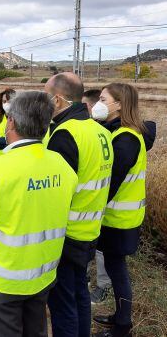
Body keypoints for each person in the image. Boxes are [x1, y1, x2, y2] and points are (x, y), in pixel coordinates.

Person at [0, 91, 78, 337]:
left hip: (4, 280)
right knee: (37, 331)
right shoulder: (62, 164)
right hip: (43, 274)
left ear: (10, 122)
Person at [44, 73, 114, 337]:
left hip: (67, 232)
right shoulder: (100, 131)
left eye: (46, 96)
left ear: (59, 100)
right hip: (90, 230)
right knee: (79, 294)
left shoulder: (64, 134)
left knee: (62, 303)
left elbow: (56, 191)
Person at [92, 83, 156, 337]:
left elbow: (110, 183)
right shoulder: (121, 133)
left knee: (117, 272)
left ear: (119, 104)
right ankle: (120, 317)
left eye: (103, 98)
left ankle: (122, 327)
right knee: (115, 268)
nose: (99, 103)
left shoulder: (126, 138)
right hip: (120, 218)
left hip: (119, 220)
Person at [82, 88, 113, 304]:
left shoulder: (115, 134)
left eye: (104, 100)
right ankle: (87, 280)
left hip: (107, 206)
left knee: (102, 250)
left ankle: (103, 286)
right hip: (93, 204)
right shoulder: (100, 130)